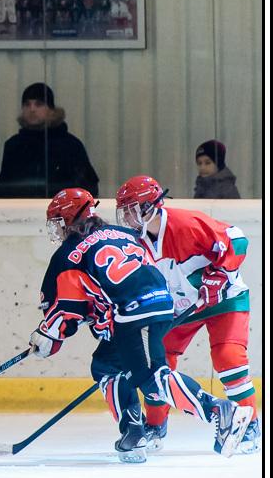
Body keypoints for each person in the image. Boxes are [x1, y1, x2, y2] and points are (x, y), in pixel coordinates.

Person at [30, 188, 252, 463]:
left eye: (58, 223)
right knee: (105, 366)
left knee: (151, 377)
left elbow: (66, 309)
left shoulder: (68, 254)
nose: (58, 231)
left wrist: (47, 336)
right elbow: (114, 282)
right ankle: (133, 432)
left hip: (133, 315)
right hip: (159, 305)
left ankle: (218, 410)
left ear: (69, 220)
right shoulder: (127, 234)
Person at [115, 175, 259, 453]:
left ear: (151, 206)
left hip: (223, 300)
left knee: (228, 357)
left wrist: (220, 274)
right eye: (125, 210)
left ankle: (249, 422)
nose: (128, 217)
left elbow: (237, 241)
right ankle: (155, 424)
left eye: (132, 209)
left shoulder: (185, 224)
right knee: (158, 364)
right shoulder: (135, 241)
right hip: (181, 308)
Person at [0, 83, 99, 198]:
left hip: (61, 211)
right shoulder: (14, 145)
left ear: (51, 110)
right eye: (27, 104)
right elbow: (3, 187)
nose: (32, 109)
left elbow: (88, 188)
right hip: (20, 211)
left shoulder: (70, 145)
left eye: (39, 104)